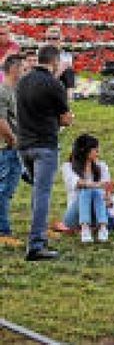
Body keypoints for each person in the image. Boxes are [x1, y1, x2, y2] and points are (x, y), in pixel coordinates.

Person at [16, 44, 75, 261]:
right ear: (55, 61)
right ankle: (36, 245)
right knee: (42, 194)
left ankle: (37, 234)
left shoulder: (22, 82)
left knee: (37, 192)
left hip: (24, 145)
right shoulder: (53, 84)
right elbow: (65, 118)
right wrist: (69, 119)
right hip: (45, 146)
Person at [61, 134, 112, 243]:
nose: (98, 150)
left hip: (99, 212)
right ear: (85, 150)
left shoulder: (102, 167)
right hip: (75, 216)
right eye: (95, 148)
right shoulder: (68, 167)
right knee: (86, 189)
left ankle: (102, 227)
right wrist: (97, 185)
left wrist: (108, 198)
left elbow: (108, 193)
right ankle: (85, 227)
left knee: (95, 191)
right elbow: (78, 183)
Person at [0, 54, 25, 247]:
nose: (24, 72)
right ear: (14, 69)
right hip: (8, 147)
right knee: (4, 190)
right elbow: (1, 121)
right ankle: (3, 230)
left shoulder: (12, 91)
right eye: (22, 68)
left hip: (12, 146)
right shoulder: (3, 92)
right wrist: (13, 141)